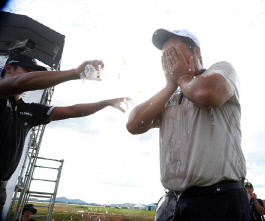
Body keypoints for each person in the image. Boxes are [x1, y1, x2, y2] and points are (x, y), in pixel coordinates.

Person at [126, 28, 250, 221]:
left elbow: (208, 94)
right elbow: (133, 124)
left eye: (174, 51)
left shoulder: (221, 71)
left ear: (197, 52)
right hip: (173, 203)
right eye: (165, 55)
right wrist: (170, 85)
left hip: (220, 200)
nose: (169, 59)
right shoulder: (171, 95)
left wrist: (182, 78)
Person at [0, 53, 129, 219]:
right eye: (28, 71)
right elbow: (19, 82)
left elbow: (71, 111)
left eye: (35, 72)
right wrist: (75, 73)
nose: (32, 76)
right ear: (9, 68)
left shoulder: (27, 110)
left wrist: (105, 103)